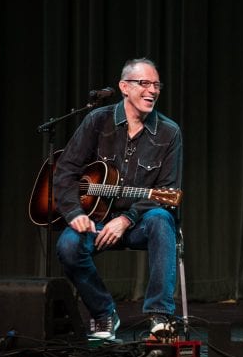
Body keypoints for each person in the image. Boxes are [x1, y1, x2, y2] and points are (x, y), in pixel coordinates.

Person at [54, 58, 183, 340]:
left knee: (162, 219)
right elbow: (66, 171)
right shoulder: (97, 121)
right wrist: (75, 213)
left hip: (140, 222)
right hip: (96, 219)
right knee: (68, 246)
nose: (152, 90)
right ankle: (103, 313)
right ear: (124, 87)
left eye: (156, 85)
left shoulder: (169, 132)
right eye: (144, 83)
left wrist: (127, 219)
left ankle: (160, 317)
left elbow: (167, 190)